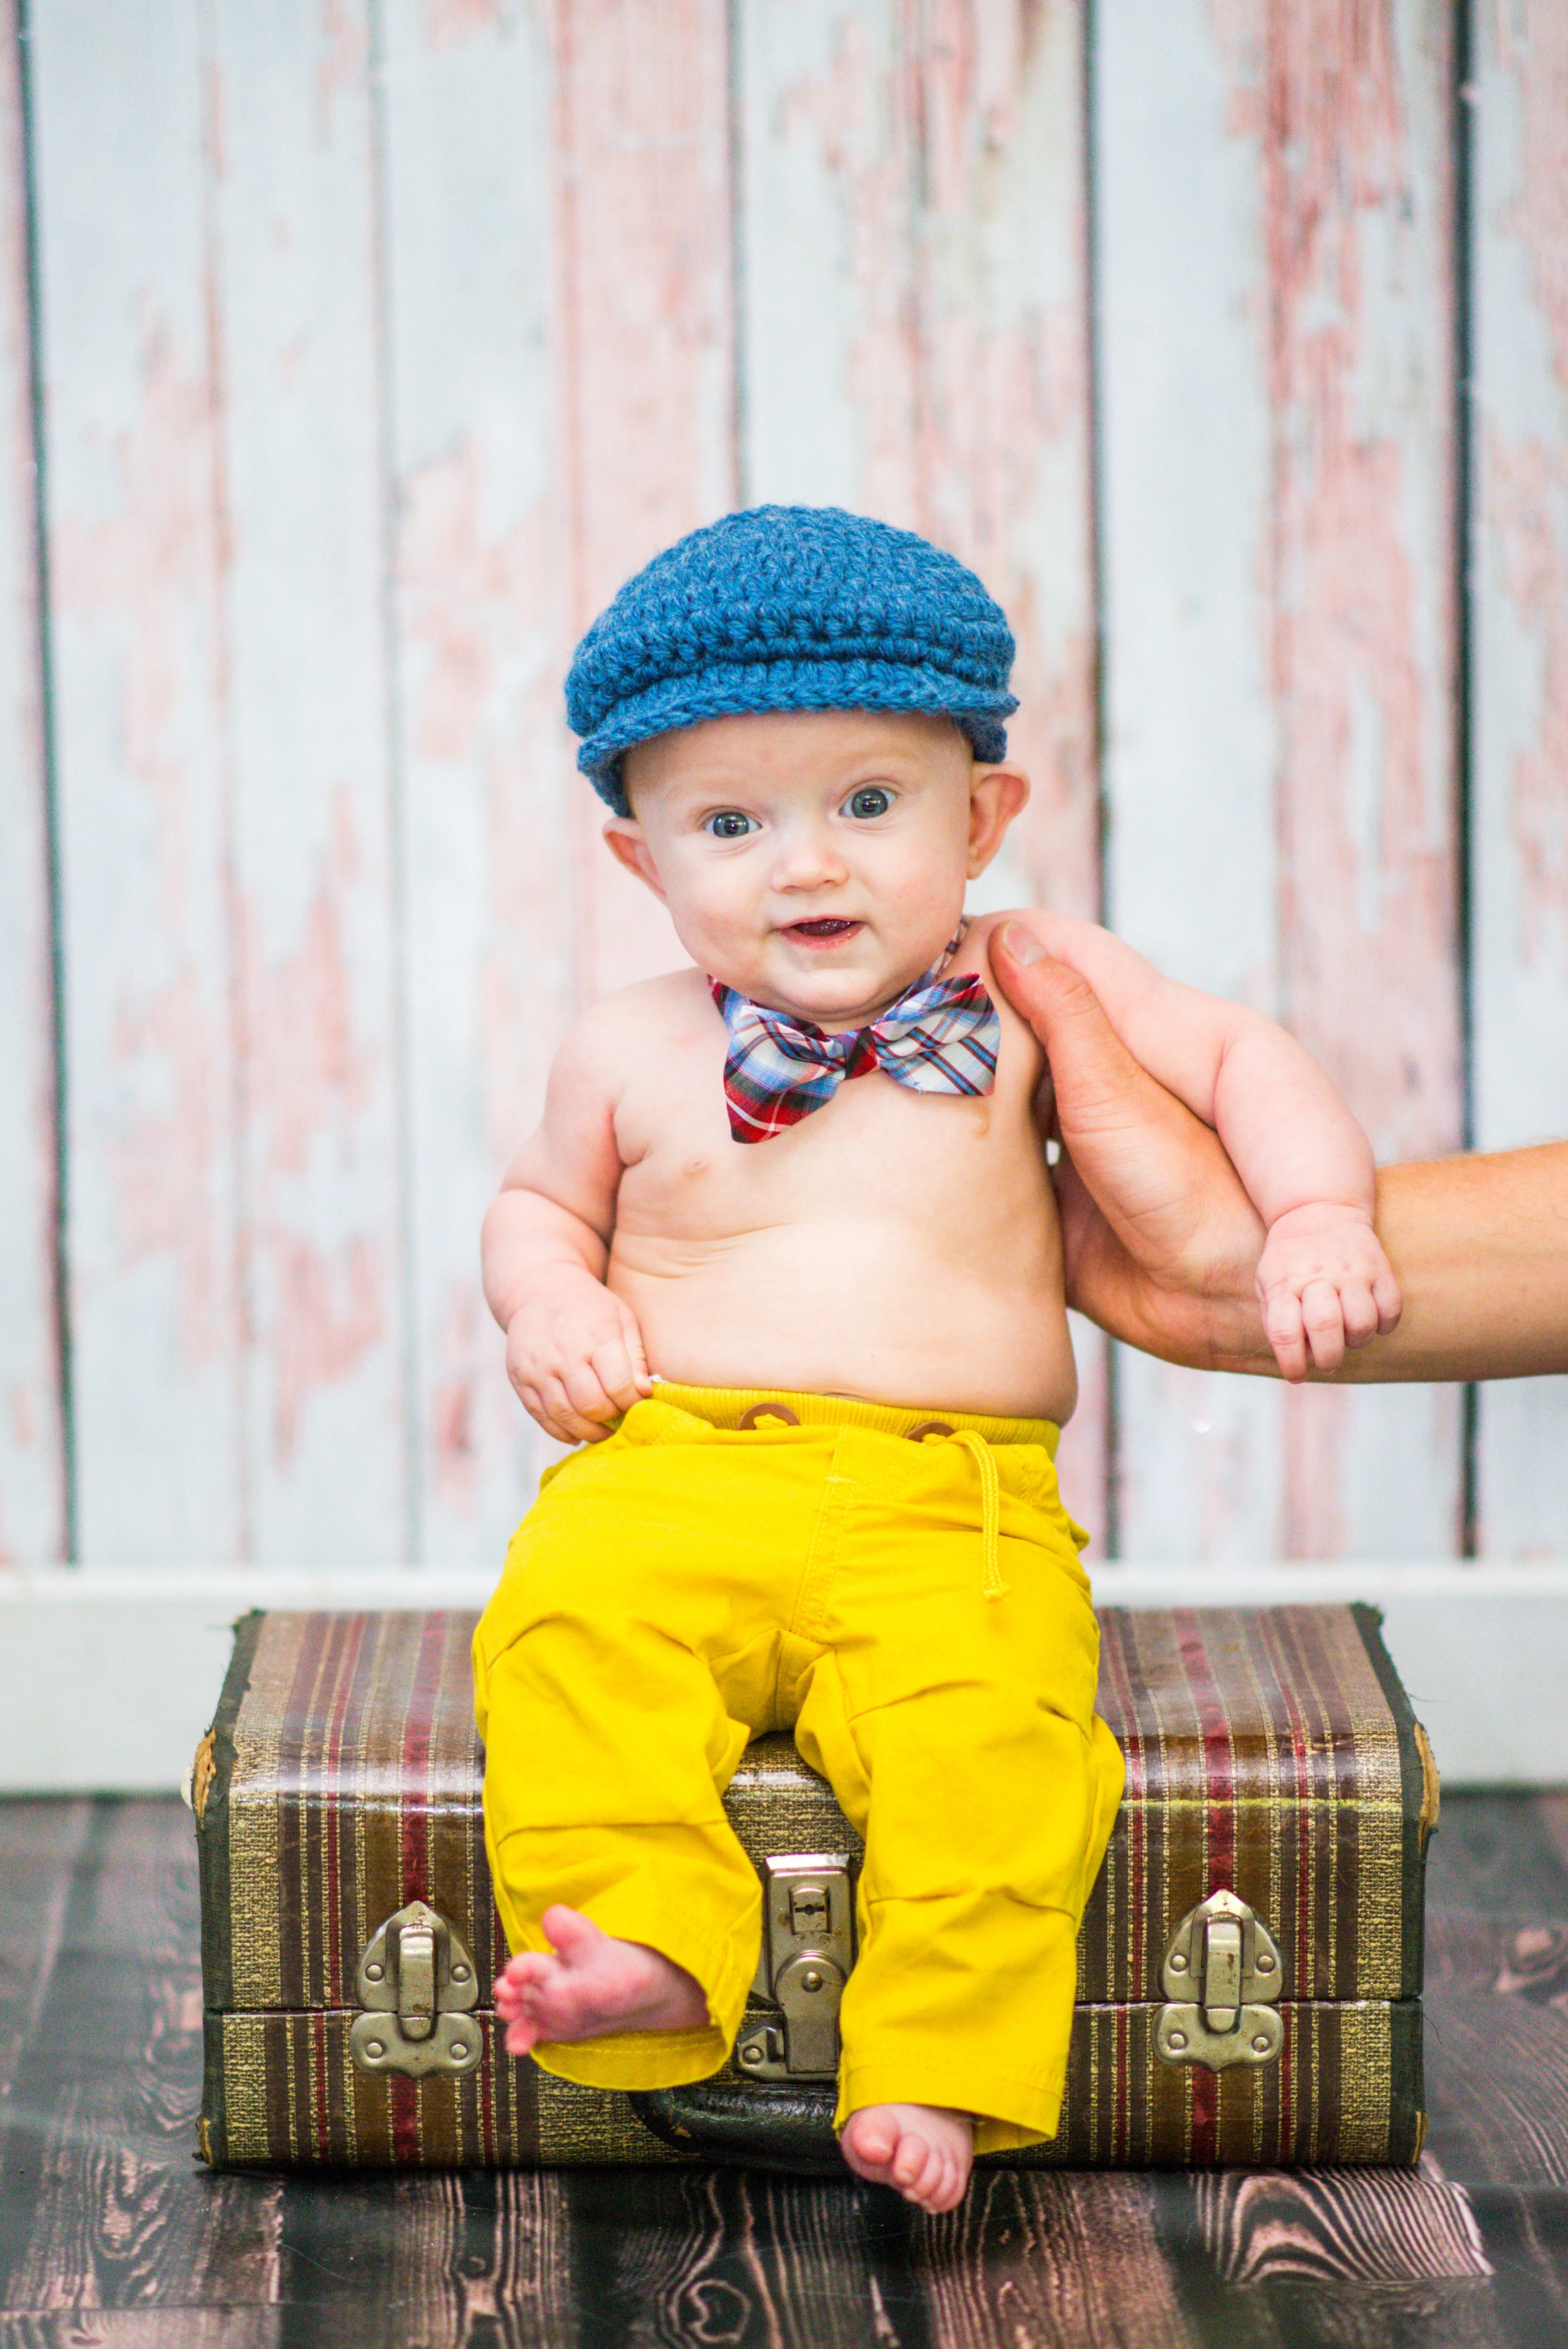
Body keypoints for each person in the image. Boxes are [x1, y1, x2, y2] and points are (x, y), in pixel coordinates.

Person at [471, 507, 1403, 2215]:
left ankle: (939, 2068)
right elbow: (539, 1202)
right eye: (731, 823)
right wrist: (549, 1303)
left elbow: (1242, 1050)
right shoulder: (625, 1041)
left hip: (951, 1506)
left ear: (984, 816)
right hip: (670, 1466)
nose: (806, 866)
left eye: (870, 804)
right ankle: (649, 1951)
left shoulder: (1036, 984)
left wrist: (1316, 1214)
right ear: (639, 858)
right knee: (562, 1642)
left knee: (1005, 1747)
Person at [988, 927, 1568, 1383]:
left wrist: (1314, 1215)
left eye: (890, 800)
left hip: (969, 1506)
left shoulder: (1008, 965)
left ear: (979, 822)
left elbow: (1231, 1057)